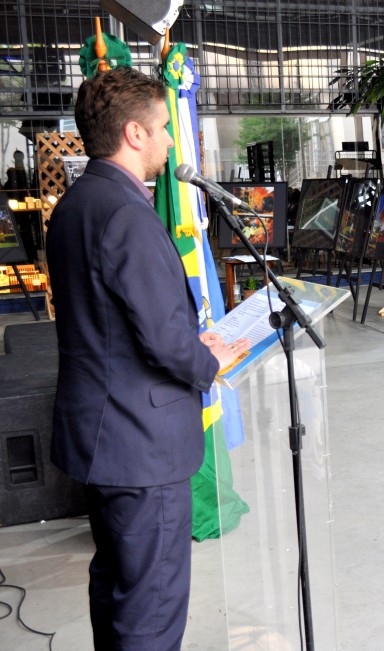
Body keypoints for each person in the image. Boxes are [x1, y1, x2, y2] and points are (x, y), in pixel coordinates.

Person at [45, 67, 246, 649]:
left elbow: (113, 321)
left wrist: (186, 341)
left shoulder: (78, 203)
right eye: (162, 128)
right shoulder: (129, 213)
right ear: (134, 133)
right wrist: (209, 360)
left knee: (117, 588)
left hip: (101, 438)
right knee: (151, 609)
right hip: (142, 446)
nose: (168, 142)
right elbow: (161, 340)